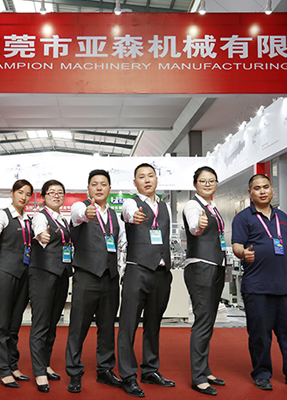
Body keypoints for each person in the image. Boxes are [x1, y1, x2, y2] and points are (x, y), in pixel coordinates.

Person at [231, 174, 287, 391]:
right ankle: (262, 374)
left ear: (272, 190)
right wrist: (243, 253)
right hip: (256, 287)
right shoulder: (243, 218)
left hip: (281, 286)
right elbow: (236, 245)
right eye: (257, 188)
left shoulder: (282, 216)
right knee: (260, 335)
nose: (262, 191)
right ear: (250, 193)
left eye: (266, 187)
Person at [117, 163, 175, 398]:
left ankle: (150, 369)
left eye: (151, 175)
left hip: (161, 272)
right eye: (142, 177)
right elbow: (128, 214)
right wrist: (134, 217)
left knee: (154, 324)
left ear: (156, 179)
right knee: (128, 325)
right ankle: (128, 375)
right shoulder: (131, 203)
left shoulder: (165, 206)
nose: (147, 180)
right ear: (135, 182)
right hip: (137, 270)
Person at [65, 170, 124, 393]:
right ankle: (74, 371)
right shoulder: (79, 208)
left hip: (110, 279)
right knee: (78, 327)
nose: (99, 188)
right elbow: (78, 215)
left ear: (109, 188)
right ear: (88, 188)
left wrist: (120, 269)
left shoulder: (115, 216)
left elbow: (121, 244)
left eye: (103, 184)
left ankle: (105, 369)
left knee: (107, 327)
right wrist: (86, 212)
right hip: (86, 277)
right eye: (94, 184)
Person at [0, 179, 34, 388]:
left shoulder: (28, 219)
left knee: (14, 325)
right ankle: (3, 369)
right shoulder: (3, 215)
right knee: (2, 324)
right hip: (4, 274)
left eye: (28, 194)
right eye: (20, 192)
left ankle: (13, 365)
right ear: (12, 193)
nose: (24, 197)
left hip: (24, 275)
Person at [182, 166, 226, 396]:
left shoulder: (213, 207)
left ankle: (205, 370)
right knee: (202, 321)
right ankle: (198, 377)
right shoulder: (193, 206)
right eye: (203, 181)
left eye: (211, 180)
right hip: (201, 267)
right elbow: (194, 227)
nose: (207, 184)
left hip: (215, 265)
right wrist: (198, 226)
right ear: (195, 184)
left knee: (208, 321)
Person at [29, 179, 72, 393]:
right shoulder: (40, 216)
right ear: (44, 196)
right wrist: (41, 235)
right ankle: (38, 371)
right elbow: (39, 231)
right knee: (41, 323)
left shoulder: (63, 219)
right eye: (51, 192)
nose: (56, 195)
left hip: (62, 275)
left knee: (53, 323)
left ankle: (45, 364)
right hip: (43, 275)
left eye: (60, 192)